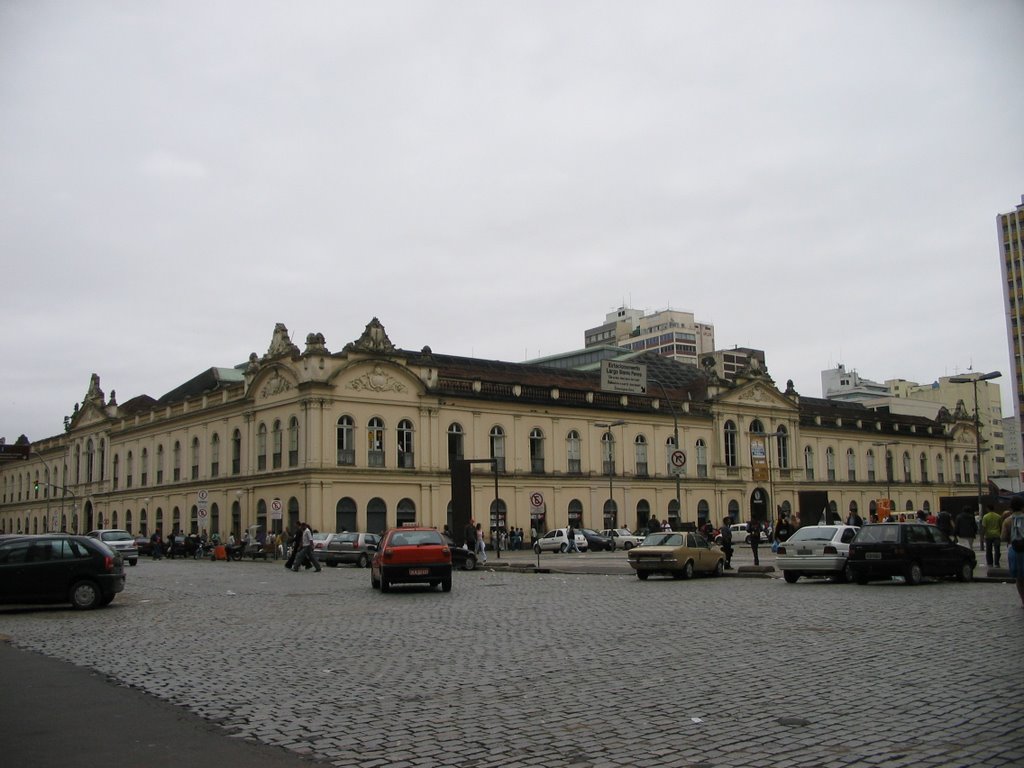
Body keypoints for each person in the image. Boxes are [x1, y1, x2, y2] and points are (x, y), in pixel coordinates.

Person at [1002, 496, 1024, 608]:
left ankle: (1023, 601)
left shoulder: (1007, 520)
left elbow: (1003, 537)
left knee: (1019, 578)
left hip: (1014, 550)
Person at [981, 504, 1003, 568]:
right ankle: (997, 563)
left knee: (988, 550)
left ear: (988, 509)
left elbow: (984, 527)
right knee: (997, 550)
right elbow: (1001, 526)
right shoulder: (998, 516)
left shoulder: (985, 517)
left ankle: (990, 563)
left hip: (988, 535)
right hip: (997, 535)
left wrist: (982, 536)